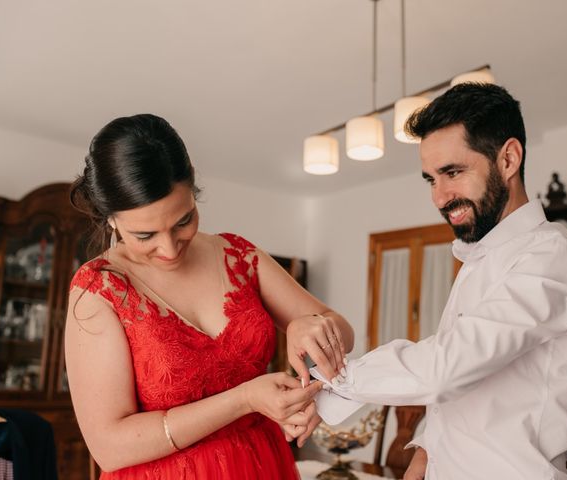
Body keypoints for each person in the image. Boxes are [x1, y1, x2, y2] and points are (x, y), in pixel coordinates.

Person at [319, 83, 567, 480]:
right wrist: (426, 450)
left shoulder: (553, 258)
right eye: (430, 179)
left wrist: (334, 381)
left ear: (508, 159)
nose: (439, 197)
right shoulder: (482, 259)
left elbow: (449, 364)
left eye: (453, 172)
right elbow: (476, 388)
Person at [65, 113, 354, 479]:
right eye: (144, 236)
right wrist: (245, 399)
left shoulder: (238, 255)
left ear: (194, 191)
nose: (169, 248)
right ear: (111, 220)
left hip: (263, 466)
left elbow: (342, 330)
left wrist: (309, 327)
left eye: (183, 220)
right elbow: (109, 448)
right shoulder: (99, 289)